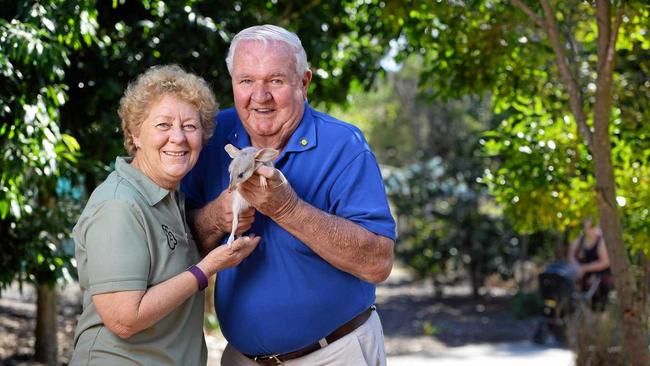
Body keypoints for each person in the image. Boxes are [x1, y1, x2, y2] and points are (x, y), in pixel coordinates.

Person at [181, 25, 396, 365]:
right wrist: (214, 219)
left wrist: (288, 209)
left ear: (304, 82)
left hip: (334, 354)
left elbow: (378, 262)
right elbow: (175, 242)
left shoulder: (344, 147)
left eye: (276, 81)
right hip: (241, 358)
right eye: (246, 81)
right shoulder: (210, 136)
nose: (260, 96)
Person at [69, 64, 261, 365]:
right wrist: (206, 268)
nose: (178, 138)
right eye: (163, 125)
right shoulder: (119, 206)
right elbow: (124, 320)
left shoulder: (171, 200)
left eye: (190, 126)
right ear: (135, 133)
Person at [568, 218, 612, 310]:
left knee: (598, 307)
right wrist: (577, 267)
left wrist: (585, 268)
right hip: (581, 279)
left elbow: (605, 262)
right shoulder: (579, 240)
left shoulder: (601, 241)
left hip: (599, 279)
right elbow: (571, 256)